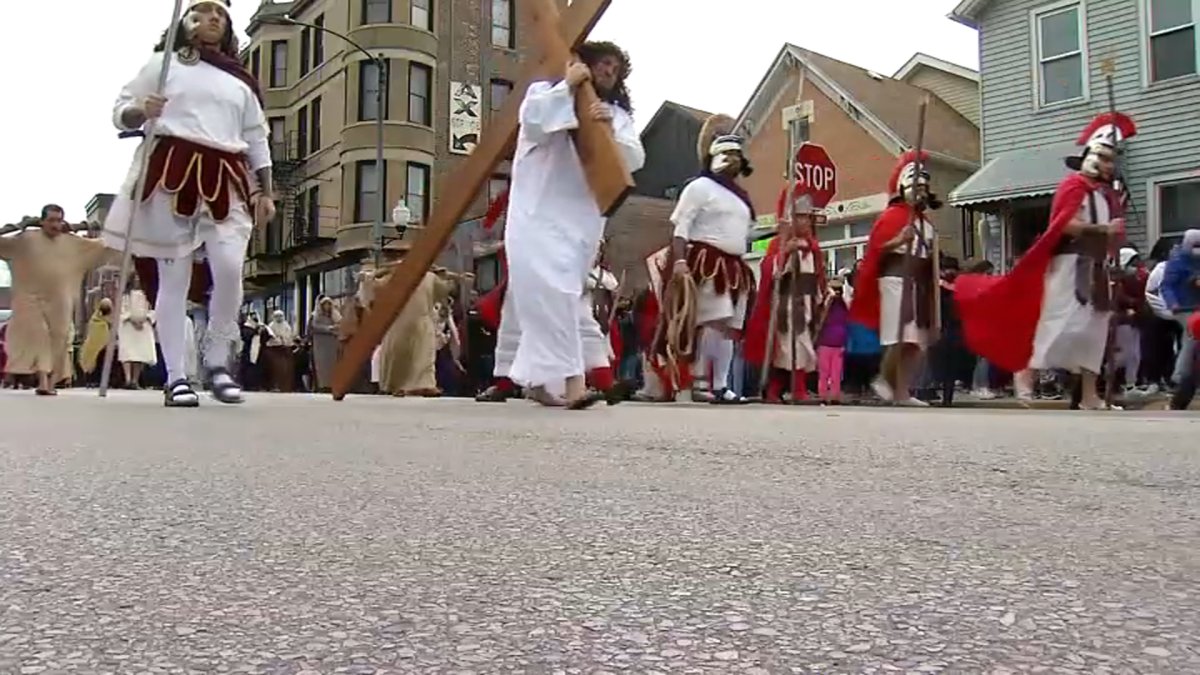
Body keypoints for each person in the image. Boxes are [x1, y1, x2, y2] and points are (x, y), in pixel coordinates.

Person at [102, 0, 273, 407]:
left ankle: (217, 360)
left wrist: (266, 190)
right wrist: (140, 110)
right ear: (185, 23)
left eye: (220, 12)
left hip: (227, 174)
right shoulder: (162, 65)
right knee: (174, 277)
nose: (213, 17)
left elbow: (256, 136)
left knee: (229, 268)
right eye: (203, 10)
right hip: (171, 170)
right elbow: (120, 111)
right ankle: (177, 376)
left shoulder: (240, 80)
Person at [956, 113, 1134, 410]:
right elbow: (1065, 225)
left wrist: (1111, 246)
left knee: (1094, 331)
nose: (1108, 165)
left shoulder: (1105, 196)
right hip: (1070, 266)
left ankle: (1090, 396)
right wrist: (1103, 229)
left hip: (1096, 268)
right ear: (1088, 156)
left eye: (1111, 159)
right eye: (1103, 157)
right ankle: (1025, 378)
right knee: (1057, 324)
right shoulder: (1073, 186)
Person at [503, 41, 645, 408]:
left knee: (558, 294)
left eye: (616, 68)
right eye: (604, 63)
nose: (609, 71)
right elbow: (533, 122)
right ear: (587, 61)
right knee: (550, 293)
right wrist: (567, 87)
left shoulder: (617, 115)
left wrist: (608, 130)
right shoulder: (546, 91)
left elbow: (634, 158)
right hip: (536, 211)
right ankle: (574, 384)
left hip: (579, 220)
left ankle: (538, 380)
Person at [658, 114, 756, 404]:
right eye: (728, 155)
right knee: (713, 320)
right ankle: (700, 380)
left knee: (729, 328)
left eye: (736, 155)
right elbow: (681, 227)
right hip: (709, 263)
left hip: (736, 266)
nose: (733, 160)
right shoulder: (699, 187)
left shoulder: (741, 197)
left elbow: (744, 232)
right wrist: (679, 262)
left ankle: (721, 385)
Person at [850, 150, 942, 407]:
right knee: (900, 337)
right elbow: (876, 251)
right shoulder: (891, 217)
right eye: (916, 187)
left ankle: (902, 392)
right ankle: (884, 378)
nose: (920, 193)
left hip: (918, 284)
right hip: (895, 279)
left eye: (923, 188)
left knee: (917, 342)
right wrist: (899, 240)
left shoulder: (926, 223)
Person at [0, 208, 114, 396]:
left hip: (60, 299)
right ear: (42, 221)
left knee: (59, 338)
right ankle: (43, 381)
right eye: (51, 220)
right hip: (30, 298)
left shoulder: (73, 241)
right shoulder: (25, 239)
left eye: (59, 220)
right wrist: (19, 226)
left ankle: (51, 381)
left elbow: (106, 245)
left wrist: (92, 227)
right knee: (39, 334)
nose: (55, 225)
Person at [744, 185, 825, 404]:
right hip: (786, 305)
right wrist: (785, 252)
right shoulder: (778, 244)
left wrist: (820, 298)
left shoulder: (813, 247)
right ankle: (794, 390)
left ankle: (779, 390)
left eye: (807, 218)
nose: (805, 222)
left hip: (806, 303)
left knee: (799, 348)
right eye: (800, 217)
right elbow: (769, 271)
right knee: (791, 348)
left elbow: (818, 276)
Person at [1161, 230, 1200, 392]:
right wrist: (1173, 303)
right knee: (1192, 339)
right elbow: (1166, 286)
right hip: (1184, 307)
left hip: (1197, 306)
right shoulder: (1177, 260)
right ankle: (1179, 377)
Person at [118, 277, 158, 389]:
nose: (137, 281)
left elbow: (153, 309)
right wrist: (132, 319)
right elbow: (122, 310)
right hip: (128, 326)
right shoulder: (126, 296)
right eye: (135, 279)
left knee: (140, 354)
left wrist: (145, 318)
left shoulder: (148, 295)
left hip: (143, 326)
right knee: (127, 354)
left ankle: (135, 381)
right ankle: (127, 379)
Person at [815, 278, 850, 404]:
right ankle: (824, 396)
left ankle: (833, 395)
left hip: (837, 344)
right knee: (825, 372)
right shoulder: (825, 306)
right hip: (826, 343)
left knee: (835, 372)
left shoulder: (844, 305)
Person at [308, 296, 341, 392]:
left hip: (332, 344)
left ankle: (331, 384)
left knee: (332, 365)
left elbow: (340, 324)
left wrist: (335, 329)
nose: (327, 306)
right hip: (320, 345)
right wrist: (328, 328)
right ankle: (322, 385)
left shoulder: (334, 315)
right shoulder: (315, 316)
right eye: (325, 304)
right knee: (321, 366)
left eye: (329, 304)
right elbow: (313, 327)